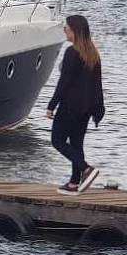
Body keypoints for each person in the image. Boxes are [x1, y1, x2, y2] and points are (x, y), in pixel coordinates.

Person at [46, 15, 105, 196]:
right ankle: (73, 183)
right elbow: (98, 85)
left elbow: (64, 83)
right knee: (76, 144)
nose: (65, 30)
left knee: (57, 141)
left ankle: (86, 169)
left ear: (75, 31)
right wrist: (98, 109)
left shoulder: (72, 52)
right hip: (86, 109)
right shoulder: (93, 53)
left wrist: (51, 105)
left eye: (67, 28)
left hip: (70, 107)